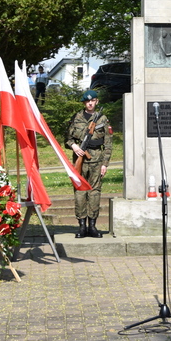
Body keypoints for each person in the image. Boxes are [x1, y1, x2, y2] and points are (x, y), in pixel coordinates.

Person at [66, 90, 113, 238]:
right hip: (80, 160)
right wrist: (74, 146)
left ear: (97, 101)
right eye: (87, 101)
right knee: (80, 192)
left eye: (93, 100)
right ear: (84, 103)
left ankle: (92, 226)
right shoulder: (77, 118)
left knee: (94, 192)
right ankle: (81, 226)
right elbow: (68, 138)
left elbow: (108, 143)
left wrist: (105, 163)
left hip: (97, 160)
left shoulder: (102, 119)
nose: (90, 103)